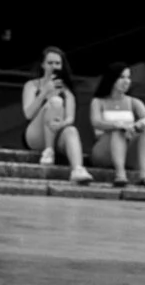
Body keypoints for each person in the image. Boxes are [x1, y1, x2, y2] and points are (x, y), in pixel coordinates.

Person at [20, 47, 94, 184]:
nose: (54, 66)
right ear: (43, 65)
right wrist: (44, 92)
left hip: (56, 133)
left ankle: (78, 169)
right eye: (50, 63)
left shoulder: (66, 91)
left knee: (71, 130)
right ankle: (48, 150)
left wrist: (61, 124)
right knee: (55, 102)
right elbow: (28, 114)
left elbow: (70, 119)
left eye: (57, 63)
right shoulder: (31, 85)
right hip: (35, 134)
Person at [88, 63, 145, 188]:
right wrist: (118, 124)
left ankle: (144, 175)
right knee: (118, 130)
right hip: (104, 151)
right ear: (112, 79)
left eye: (128, 78)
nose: (126, 81)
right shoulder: (98, 101)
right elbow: (96, 122)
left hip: (127, 152)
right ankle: (120, 175)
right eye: (122, 77)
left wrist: (144, 122)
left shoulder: (133, 102)